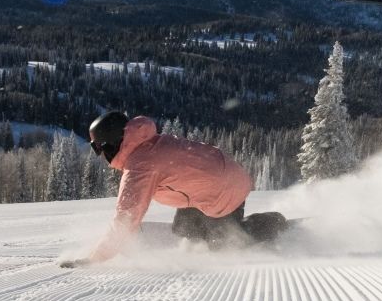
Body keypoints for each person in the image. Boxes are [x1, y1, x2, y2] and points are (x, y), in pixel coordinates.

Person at [61, 110, 255, 267]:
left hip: (225, 190)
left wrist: (95, 259)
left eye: (99, 149)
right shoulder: (148, 144)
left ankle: (273, 226)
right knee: (184, 231)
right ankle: (218, 229)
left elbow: (126, 217)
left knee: (225, 246)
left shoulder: (141, 164)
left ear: (111, 143)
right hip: (212, 184)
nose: (101, 155)